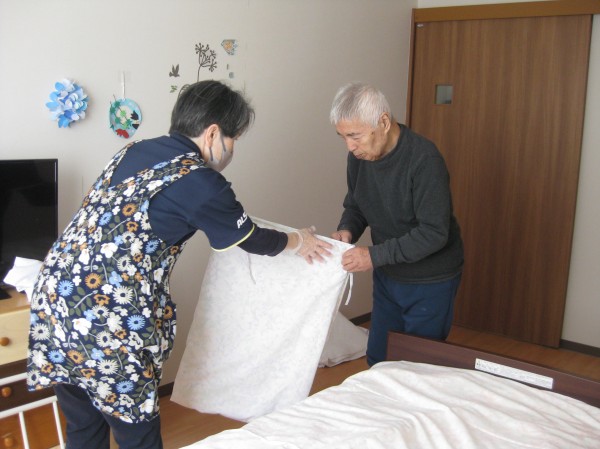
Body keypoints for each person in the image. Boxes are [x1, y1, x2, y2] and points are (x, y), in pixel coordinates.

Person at [26, 80, 332, 449]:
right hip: (106, 320)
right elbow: (250, 238)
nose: (232, 149)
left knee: (83, 426)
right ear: (213, 133)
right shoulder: (200, 181)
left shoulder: (133, 151)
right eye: (234, 138)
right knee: (136, 435)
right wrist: (299, 241)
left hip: (54, 303)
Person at [329, 82, 463, 366]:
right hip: (389, 275)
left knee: (418, 366)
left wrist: (373, 256)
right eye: (343, 137)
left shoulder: (424, 159)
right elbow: (356, 204)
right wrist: (347, 230)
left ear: (384, 122)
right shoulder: (359, 158)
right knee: (379, 358)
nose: (350, 146)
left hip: (430, 280)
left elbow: (434, 233)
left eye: (354, 136)